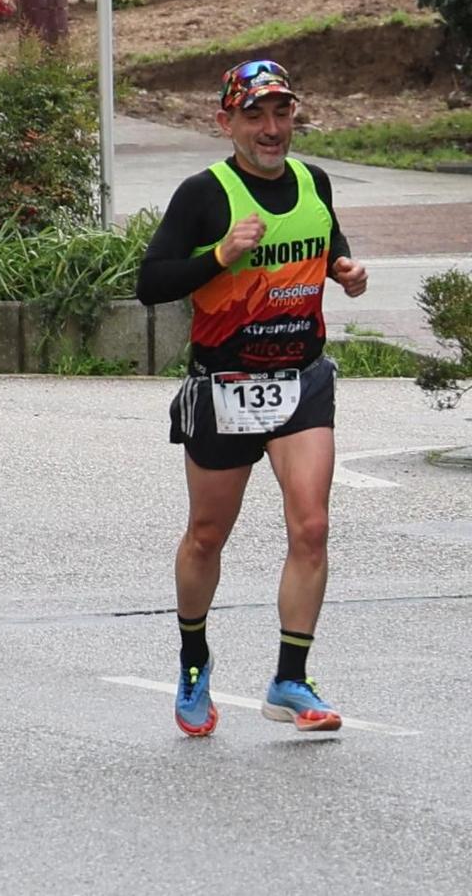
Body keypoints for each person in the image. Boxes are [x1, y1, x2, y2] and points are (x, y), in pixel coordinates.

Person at [137, 59, 368, 736]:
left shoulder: (313, 179)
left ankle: (290, 678)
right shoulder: (202, 194)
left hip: (301, 377)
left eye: (281, 112)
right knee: (208, 536)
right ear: (227, 122)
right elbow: (151, 283)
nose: (271, 128)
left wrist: (345, 269)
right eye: (255, 115)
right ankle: (193, 660)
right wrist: (219, 256)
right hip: (226, 386)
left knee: (312, 525)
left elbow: (327, 243)